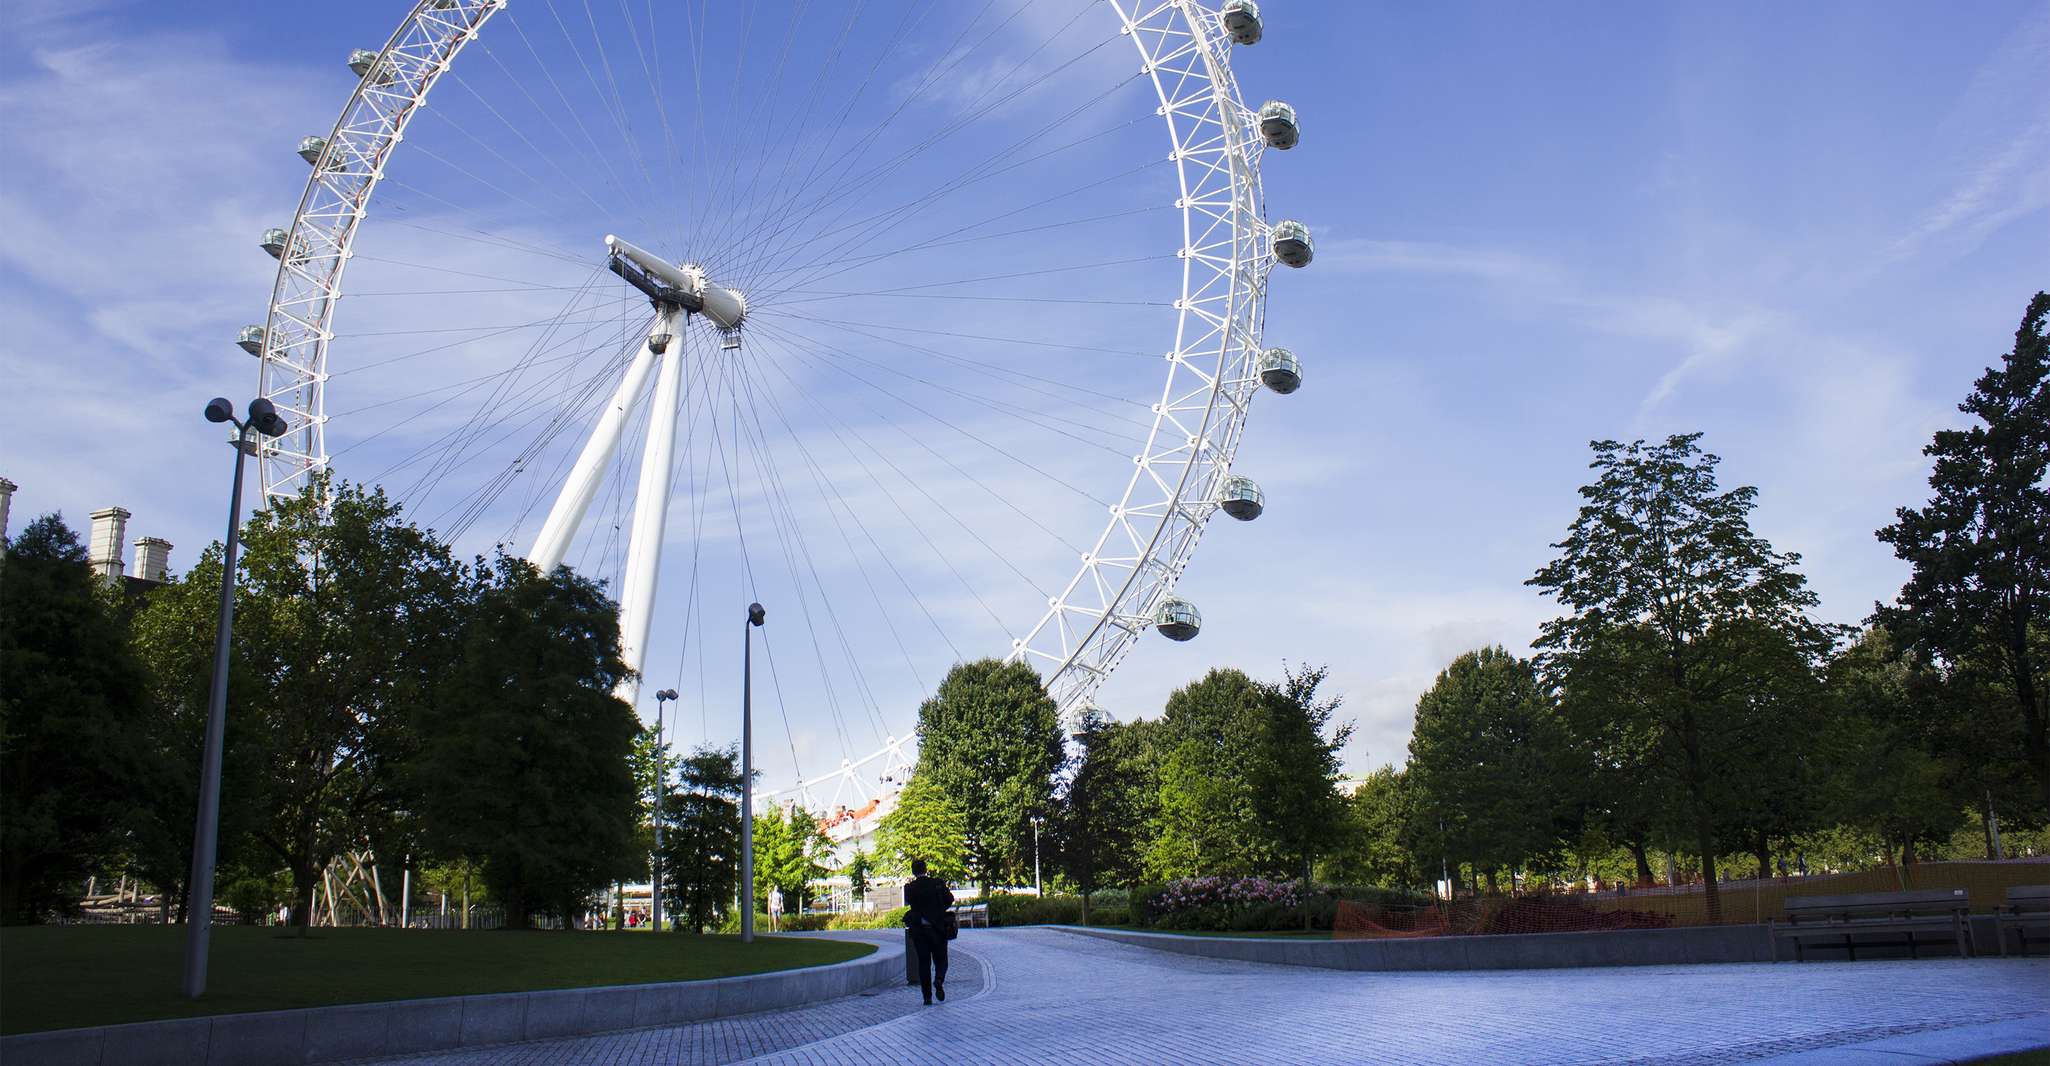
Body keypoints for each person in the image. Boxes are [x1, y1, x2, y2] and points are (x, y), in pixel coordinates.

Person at [902, 858, 954, 1005]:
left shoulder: (910, 888)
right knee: (941, 959)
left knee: (923, 963)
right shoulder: (937, 883)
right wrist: (938, 910)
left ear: (913, 872)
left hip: (919, 930)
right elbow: (950, 899)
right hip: (938, 928)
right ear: (926, 869)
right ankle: (938, 979)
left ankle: (927, 996)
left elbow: (909, 903)